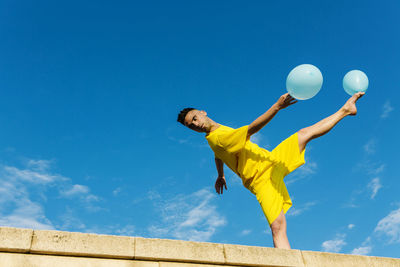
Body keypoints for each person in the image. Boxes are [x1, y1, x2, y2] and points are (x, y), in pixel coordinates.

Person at [177, 92, 364, 249]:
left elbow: (217, 156)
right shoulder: (217, 138)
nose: (195, 124)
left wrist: (220, 175)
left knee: (304, 134)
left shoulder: (214, 136)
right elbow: (251, 129)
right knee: (277, 226)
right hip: (260, 180)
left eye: (194, 118)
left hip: (270, 161)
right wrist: (276, 106)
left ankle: (346, 110)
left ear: (202, 112)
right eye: (190, 126)